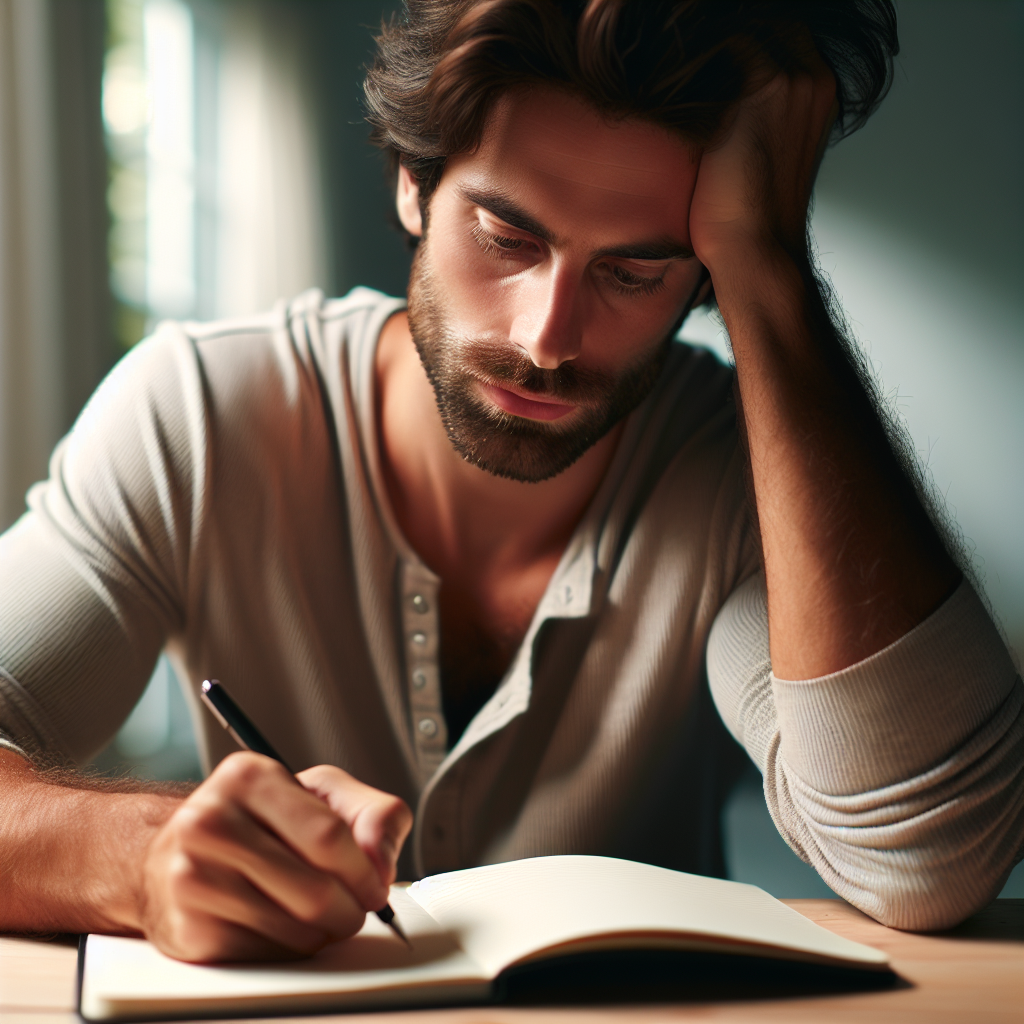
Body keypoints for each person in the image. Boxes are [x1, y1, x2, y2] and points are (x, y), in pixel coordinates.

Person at [0, 0, 1020, 963]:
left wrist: (770, 266)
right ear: (412, 180)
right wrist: (134, 854)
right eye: (506, 237)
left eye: (633, 271)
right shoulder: (199, 413)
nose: (548, 339)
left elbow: (927, 863)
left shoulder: (742, 474)